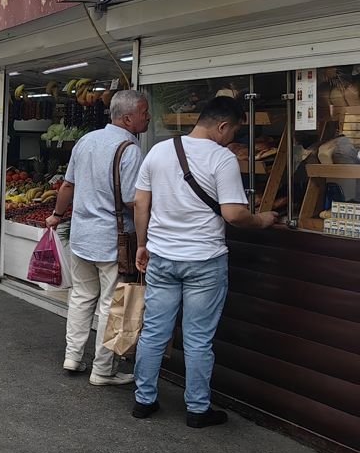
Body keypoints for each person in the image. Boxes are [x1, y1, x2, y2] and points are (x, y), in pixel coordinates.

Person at [130, 96, 278, 428]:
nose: (232, 138)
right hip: (204, 262)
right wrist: (262, 219)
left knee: (154, 331)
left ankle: (143, 400)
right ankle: (197, 409)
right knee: (198, 338)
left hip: (163, 256)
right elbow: (234, 214)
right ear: (222, 126)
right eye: (234, 131)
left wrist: (142, 244)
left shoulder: (159, 151)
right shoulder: (222, 159)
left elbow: (140, 203)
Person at [45, 89, 151, 385]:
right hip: (113, 241)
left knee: (81, 297)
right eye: (144, 113)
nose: (148, 118)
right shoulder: (130, 150)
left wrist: (57, 215)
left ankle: (72, 356)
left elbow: (68, 186)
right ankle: (103, 370)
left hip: (81, 236)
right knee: (110, 303)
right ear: (128, 119)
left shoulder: (86, 141)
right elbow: (132, 200)